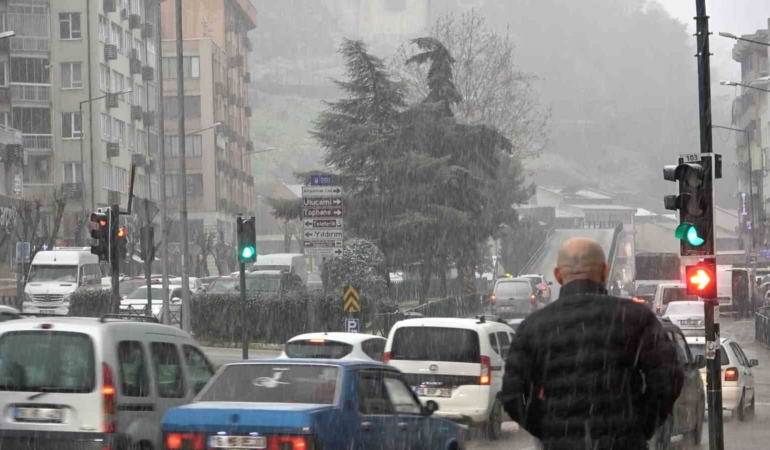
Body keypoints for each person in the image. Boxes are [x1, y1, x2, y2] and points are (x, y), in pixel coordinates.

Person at [501, 238, 684, 450]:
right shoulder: (637, 318)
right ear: (604, 272)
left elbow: (512, 395)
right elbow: (670, 377)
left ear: (558, 275)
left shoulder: (533, 327)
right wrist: (639, 425)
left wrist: (549, 428)